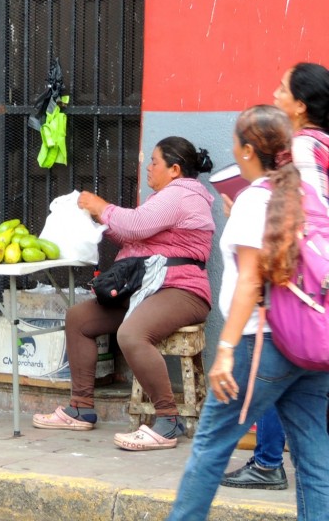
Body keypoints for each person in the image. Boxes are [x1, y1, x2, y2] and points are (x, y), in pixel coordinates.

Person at [165, 105, 329, 520]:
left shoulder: (255, 199)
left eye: (236, 143)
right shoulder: (305, 194)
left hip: (262, 345)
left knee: (210, 447)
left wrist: (225, 350)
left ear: (248, 150)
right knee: (315, 460)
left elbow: (250, 282)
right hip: (311, 342)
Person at [33, 136, 215, 450]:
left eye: (154, 161)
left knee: (131, 334)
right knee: (79, 319)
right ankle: (80, 408)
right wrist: (97, 218)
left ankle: (168, 420)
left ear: (174, 169)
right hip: (148, 288)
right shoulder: (166, 197)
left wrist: (101, 207)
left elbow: (135, 225)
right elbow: (134, 236)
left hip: (181, 290)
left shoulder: (182, 194)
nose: (148, 167)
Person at [222, 62, 329, 491]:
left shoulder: (301, 147)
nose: (275, 93)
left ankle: (267, 461)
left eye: (282, 89)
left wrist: (252, 213)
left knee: (269, 357)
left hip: (301, 283)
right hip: (317, 290)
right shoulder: (324, 143)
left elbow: (312, 215)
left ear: (300, 105)